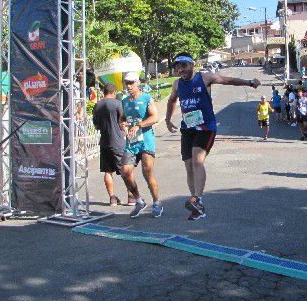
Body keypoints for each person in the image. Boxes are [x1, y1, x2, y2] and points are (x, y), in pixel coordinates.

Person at [165, 52, 260, 220]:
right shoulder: (176, 85)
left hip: (206, 127)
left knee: (197, 160)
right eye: (178, 66)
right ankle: (196, 204)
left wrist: (250, 83)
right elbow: (172, 100)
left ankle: (198, 199)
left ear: (192, 64)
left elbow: (228, 80)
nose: (181, 69)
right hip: (188, 128)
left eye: (184, 65)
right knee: (188, 166)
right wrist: (167, 119)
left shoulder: (204, 78)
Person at [121, 72, 162, 218]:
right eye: (127, 83)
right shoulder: (125, 101)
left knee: (147, 171)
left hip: (145, 140)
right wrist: (123, 124)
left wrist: (138, 125)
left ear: (138, 83)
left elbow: (155, 117)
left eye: (132, 82)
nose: (129, 86)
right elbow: (122, 118)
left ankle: (156, 202)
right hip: (131, 142)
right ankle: (139, 200)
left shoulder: (146, 98)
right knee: (125, 171)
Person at [92, 83, 130, 207]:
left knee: (108, 172)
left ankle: (112, 198)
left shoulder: (97, 105)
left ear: (103, 92)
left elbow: (96, 126)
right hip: (118, 142)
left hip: (104, 143)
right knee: (125, 170)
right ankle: (131, 196)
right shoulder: (118, 104)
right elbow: (123, 121)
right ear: (114, 92)